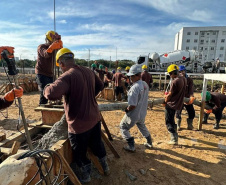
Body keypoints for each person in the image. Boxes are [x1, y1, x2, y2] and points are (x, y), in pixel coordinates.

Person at [43, 48, 109, 183]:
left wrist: (45, 87)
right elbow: (100, 85)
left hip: (79, 125)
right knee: (97, 144)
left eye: (60, 66)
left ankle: (86, 175)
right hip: (95, 118)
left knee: (79, 152)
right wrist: (89, 96)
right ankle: (105, 166)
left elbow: (51, 94)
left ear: (61, 63)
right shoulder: (88, 70)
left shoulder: (68, 76)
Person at [120, 64, 153, 152]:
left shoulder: (134, 88)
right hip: (142, 112)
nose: (130, 78)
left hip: (134, 114)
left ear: (136, 75)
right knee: (141, 125)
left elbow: (132, 105)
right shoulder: (145, 84)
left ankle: (131, 146)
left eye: (131, 76)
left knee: (123, 127)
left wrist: (127, 109)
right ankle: (149, 142)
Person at [35, 30, 63, 105]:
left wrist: (60, 47)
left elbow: (60, 56)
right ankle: (43, 107)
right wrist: (52, 48)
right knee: (45, 91)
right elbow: (45, 54)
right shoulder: (41, 47)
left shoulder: (55, 49)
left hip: (50, 74)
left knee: (53, 90)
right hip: (41, 73)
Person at [164, 64, 186, 145]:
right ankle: (175, 134)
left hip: (171, 104)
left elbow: (170, 94)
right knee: (172, 120)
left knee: (168, 121)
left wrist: (165, 99)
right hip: (178, 103)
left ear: (174, 73)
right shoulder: (183, 79)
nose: (170, 75)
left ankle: (174, 139)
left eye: (170, 73)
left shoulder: (175, 81)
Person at [175, 65, 195, 130]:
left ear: (185, 71)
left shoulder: (189, 80)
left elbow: (191, 89)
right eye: (180, 71)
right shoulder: (177, 80)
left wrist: (191, 96)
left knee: (192, 112)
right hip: (179, 99)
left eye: (183, 71)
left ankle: (190, 125)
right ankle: (178, 125)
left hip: (187, 98)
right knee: (178, 112)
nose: (181, 73)